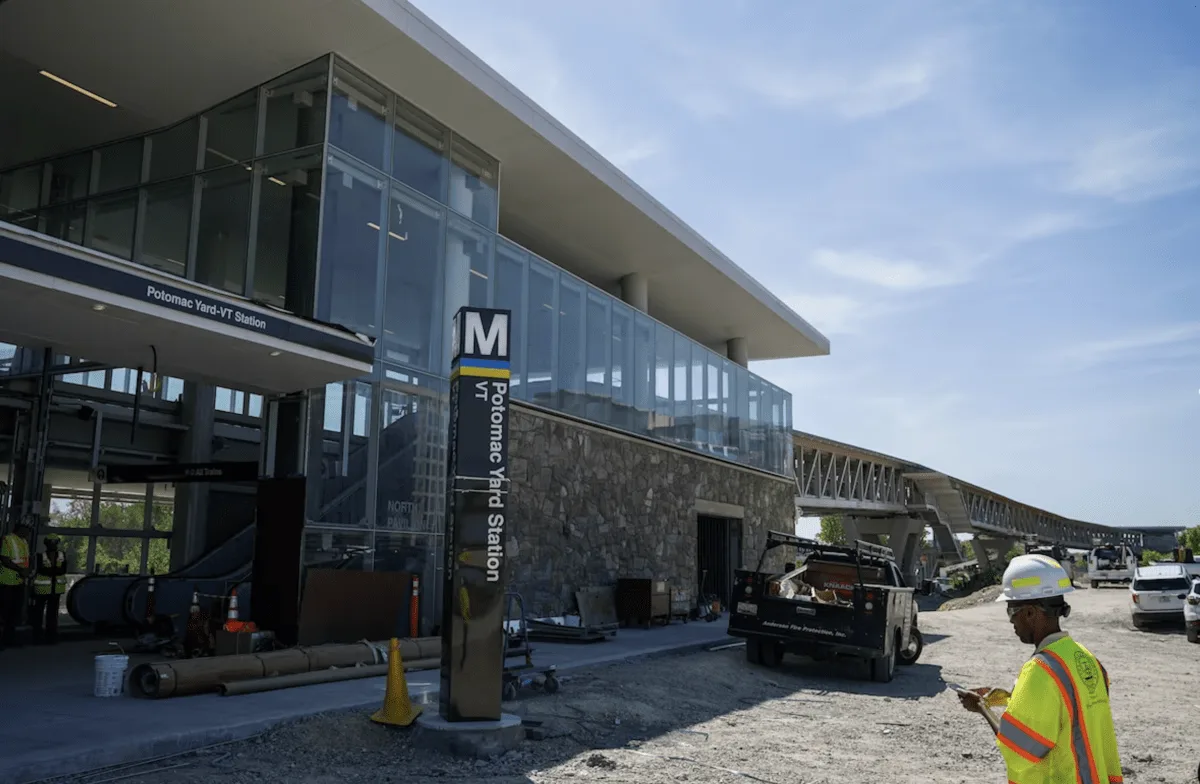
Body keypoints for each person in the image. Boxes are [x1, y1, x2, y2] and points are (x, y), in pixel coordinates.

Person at [959, 554, 1123, 783]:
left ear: (1029, 613)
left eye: (1011, 611)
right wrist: (1010, 697)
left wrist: (982, 709)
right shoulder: (1087, 659)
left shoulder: (1039, 670)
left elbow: (1019, 748)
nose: (1010, 622)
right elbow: (1070, 713)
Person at [0, 521, 33, 650]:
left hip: (19, 582)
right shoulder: (8, 540)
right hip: (6, 582)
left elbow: (25, 560)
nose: (28, 534)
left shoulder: (23, 542)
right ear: (20, 530)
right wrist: (21, 570)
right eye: (27, 531)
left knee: (14, 613)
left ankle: (10, 639)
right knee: (4, 612)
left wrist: (27, 570)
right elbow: (4, 559)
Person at [32, 532, 68, 645]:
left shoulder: (62, 555)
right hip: (42, 589)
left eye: (54, 543)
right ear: (46, 544)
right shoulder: (40, 555)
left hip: (55, 588)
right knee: (38, 613)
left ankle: (51, 635)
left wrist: (51, 571)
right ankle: (37, 635)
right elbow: (41, 569)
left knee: (52, 614)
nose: (52, 545)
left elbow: (63, 569)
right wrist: (54, 571)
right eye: (50, 543)